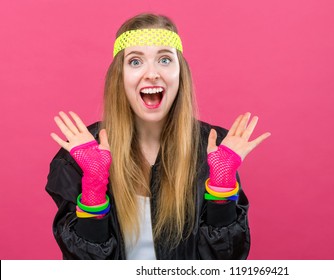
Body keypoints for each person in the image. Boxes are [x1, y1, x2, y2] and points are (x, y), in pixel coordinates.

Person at [45, 13, 270, 260]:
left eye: (164, 59)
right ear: (119, 76)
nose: (152, 73)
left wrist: (222, 190)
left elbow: (225, 263)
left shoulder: (214, 150)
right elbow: (83, 266)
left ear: (180, 73)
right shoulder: (81, 154)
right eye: (135, 62)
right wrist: (94, 189)